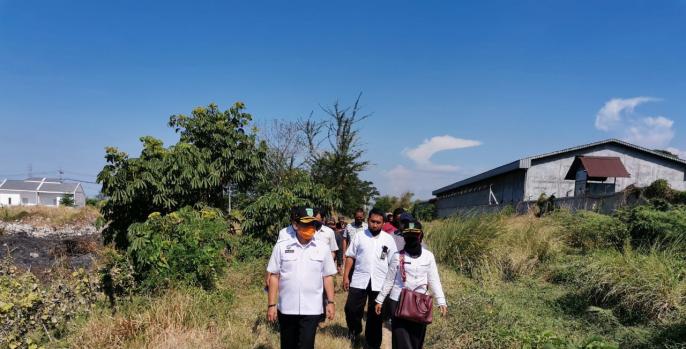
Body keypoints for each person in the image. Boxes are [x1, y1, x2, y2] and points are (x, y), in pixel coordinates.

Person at [266, 207, 338, 349]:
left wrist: (330, 302)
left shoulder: (322, 248)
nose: (309, 228)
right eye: (305, 224)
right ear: (296, 225)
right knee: (288, 345)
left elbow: (327, 277)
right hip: (287, 308)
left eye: (312, 224)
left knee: (306, 345)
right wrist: (271, 305)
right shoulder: (281, 247)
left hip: (312, 309)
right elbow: (274, 276)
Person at [374, 220, 448, 349]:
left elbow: (434, 280)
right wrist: (380, 299)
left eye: (415, 234)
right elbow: (389, 280)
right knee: (401, 340)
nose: (412, 238)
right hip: (398, 302)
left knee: (416, 341)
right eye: (408, 235)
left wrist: (441, 301)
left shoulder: (428, 256)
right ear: (404, 236)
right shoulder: (397, 256)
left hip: (421, 304)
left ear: (420, 236)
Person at [343, 208, 398, 349]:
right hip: (359, 279)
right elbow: (350, 256)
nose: (375, 225)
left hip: (379, 282)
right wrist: (345, 277)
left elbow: (393, 263)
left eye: (378, 222)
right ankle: (355, 330)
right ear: (368, 221)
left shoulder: (388, 239)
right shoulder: (360, 236)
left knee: (375, 316)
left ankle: (371, 344)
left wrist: (391, 284)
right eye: (372, 221)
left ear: (383, 223)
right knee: (351, 309)